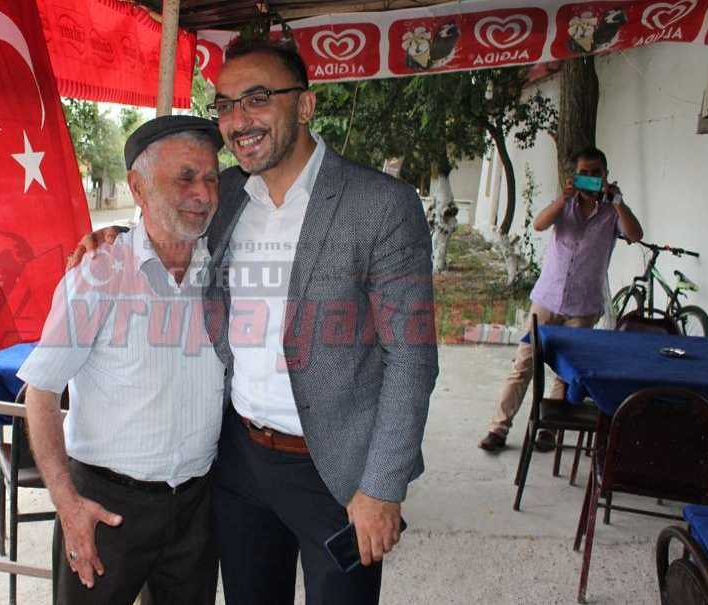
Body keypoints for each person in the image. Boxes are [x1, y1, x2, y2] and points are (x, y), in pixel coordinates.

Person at [76, 38, 438, 605]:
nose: (237, 120)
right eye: (224, 104)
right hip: (241, 464)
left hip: (336, 472)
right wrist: (117, 238)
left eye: (258, 98)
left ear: (306, 106)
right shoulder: (225, 197)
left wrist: (382, 487)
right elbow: (167, 218)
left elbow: (412, 358)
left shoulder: (380, 205)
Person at [17, 115, 225, 605]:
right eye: (186, 178)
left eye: (212, 178)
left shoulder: (221, 268)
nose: (204, 193)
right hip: (106, 508)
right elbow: (41, 392)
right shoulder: (98, 274)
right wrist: (66, 504)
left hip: (196, 507)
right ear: (137, 186)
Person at [479, 146, 643, 453]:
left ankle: (548, 430)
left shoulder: (611, 213)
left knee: (564, 373)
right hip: (547, 302)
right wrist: (564, 199)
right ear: (575, 176)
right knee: (524, 364)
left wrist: (618, 202)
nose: (591, 178)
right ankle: (498, 428)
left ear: (606, 175)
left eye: (597, 173)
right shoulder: (564, 207)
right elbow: (540, 224)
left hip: (583, 308)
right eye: (585, 173)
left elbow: (635, 235)